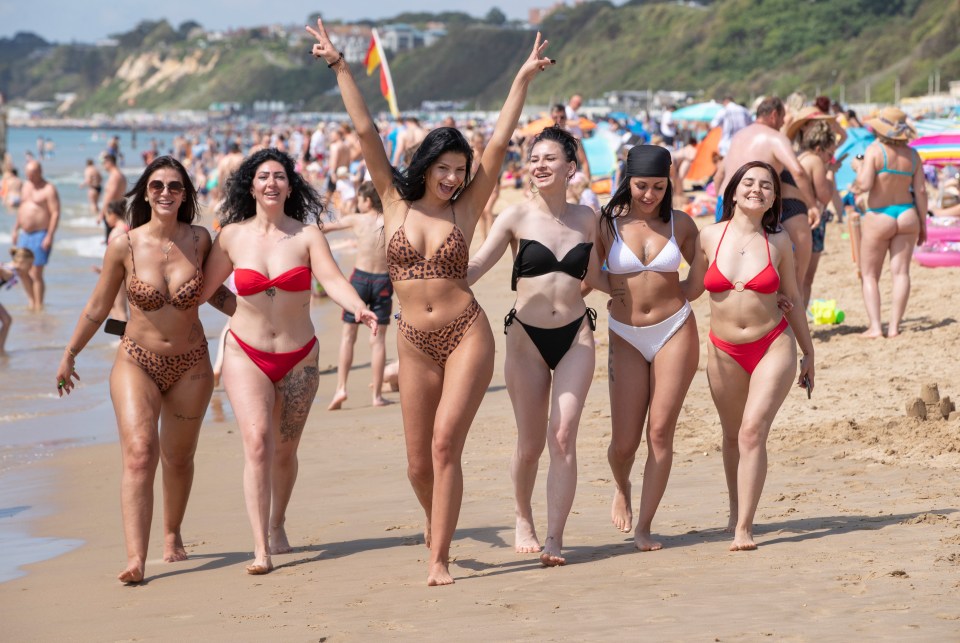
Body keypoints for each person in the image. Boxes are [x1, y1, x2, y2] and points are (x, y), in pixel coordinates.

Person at [309, 18, 553, 585]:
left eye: (459, 173)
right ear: (425, 166)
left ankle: (438, 558)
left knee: (446, 445)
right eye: (443, 170)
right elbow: (366, 131)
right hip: (413, 343)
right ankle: (436, 522)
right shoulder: (393, 200)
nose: (451, 179)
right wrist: (342, 66)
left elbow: (497, 140)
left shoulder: (465, 209)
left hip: (466, 332)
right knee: (419, 463)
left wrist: (520, 80)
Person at [54, 156, 236, 584]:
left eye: (175, 186)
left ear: (186, 194)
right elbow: (99, 306)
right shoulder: (125, 244)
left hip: (192, 364)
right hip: (137, 360)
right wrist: (70, 353)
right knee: (140, 455)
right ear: (145, 193)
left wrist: (269, 317)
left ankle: (171, 534)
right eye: (157, 186)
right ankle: (136, 558)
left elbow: (217, 296)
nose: (166, 193)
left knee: (178, 458)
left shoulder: (200, 240)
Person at [200, 148, 378, 575]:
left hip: (300, 357)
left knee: (285, 450)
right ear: (250, 184)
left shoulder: (306, 235)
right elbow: (206, 289)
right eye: (263, 176)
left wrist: (359, 306)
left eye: (280, 176)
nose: (271, 183)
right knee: (258, 443)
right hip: (248, 353)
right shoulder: (231, 236)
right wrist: (241, 313)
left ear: (290, 185)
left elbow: (333, 280)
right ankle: (260, 547)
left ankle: (278, 522)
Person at [468, 126, 605, 566]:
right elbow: (474, 268)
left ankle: (555, 538)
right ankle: (522, 516)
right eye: (534, 159)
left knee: (563, 436)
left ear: (570, 167)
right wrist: (426, 282)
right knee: (530, 443)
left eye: (550, 159)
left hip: (576, 338)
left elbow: (599, 278)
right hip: (526, 340)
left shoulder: (588, 220)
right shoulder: (514, 217)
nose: (540, 166)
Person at [686, 160, 815, 551]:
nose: (756, 189)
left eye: (766, 186)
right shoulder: (708, 237)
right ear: (733, 191)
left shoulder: (778, 243)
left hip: (772, 344)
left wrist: (809, 352)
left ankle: (745, 526)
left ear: (775, 198)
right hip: (722, 350)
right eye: (748, 183)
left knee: (751, 431)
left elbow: (792, 301)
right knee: (730, 435)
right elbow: (691, 289)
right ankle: (733, 507)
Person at [594, 145, 701, 551]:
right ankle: (621, 487)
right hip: (624, 332)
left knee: (659, 431)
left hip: (674, 329)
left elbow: (698, 278)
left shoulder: (681, 224)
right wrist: (618, 291)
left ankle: (645, 526)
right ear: (628, 180)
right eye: (641, 185)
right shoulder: (607, 224)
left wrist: (675, 299)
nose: (649, 195)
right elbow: (591, 274)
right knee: (624, 442)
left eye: (658, 186)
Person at [717, 97, 819, 288]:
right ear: (774, 115)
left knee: (730, 267)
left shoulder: (739, 136)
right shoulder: (775, 138)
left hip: (724, 201)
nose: (782, 124)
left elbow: (720, 174)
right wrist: (812, 205)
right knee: (764, 266)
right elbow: (798, 171)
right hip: (754, 205)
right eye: (781, 118)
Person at [853, 107, 927, 338]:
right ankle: (894, 327)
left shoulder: (875, 150)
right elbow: (922, 191)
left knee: (870, 275)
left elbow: (864, 185)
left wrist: (858, 168)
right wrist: (923, 224)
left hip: (879, 215)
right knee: (901, 273)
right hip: (907, 213)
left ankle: (876, 326)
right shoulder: (913, 155)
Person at [325, 181, 394, 410]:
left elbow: (324, 227)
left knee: (348, 336)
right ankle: (376, 395)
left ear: (366, 201)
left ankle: (341, 388)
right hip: (383, 280)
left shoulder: (358, 220)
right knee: (378, 340)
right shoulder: (390, 220)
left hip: (359, 281)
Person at [795, 120, 844, 307]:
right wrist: (831, 172)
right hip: (811, 221)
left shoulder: (797, 156)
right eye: (829, 154)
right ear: (818, 148)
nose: (829, 159)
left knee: (793, 277)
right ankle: (801, 322)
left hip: (793, 218)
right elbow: (825, 196)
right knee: (806, 279)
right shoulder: (815, 161)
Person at [11, 160, 59, 311]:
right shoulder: (25, 186)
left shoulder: (48, 189)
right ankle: (32, 301)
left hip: (41, 234)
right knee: (20, 269)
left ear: (39, 172)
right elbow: (22, 208)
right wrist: (15, 229)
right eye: (27, 174)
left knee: (36, 272)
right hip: (24, 234)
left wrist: (49, 235)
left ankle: (39, 305)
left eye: (32, 174)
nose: (29, 177)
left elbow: (55, 213)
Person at [0, 247, 34, 354]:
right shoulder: (10, 272)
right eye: (30, 265)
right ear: (21, 262)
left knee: (7, 320)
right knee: (7, 320)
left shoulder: (9, 267)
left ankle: (1, 349)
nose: (31, 268)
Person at [100, 153, 127, 244]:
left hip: (112, 211)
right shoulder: (120, 175)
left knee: (111, 241)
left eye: (103, 162)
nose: (102, 165)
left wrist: (102, 213)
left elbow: (110, 195)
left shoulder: (115, 176)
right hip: (118, 210)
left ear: (109, 162)